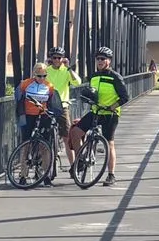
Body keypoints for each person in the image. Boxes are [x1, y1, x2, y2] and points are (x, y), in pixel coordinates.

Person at [68, 46, 130, 186]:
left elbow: (125, 97)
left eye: (103, 59)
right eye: (98, 59)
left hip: (110, 114)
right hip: (95, 111)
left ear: (109, 61)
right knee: (75, 132)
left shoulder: (115, 77)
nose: (100, 61)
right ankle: (81, 160)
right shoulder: (94, 76)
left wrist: (111, 107)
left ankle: (111, 175)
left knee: (109, 143)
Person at [14, 63, 64, 187]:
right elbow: (17, 97)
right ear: (34, 74)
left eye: (44, 76)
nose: (42, 78)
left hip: (43, 116)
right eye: (39, 76)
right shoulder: (25, 84)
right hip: (28, 116)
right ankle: (23, 175)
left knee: (44, 147)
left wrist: (54, 113)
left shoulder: (49, 86)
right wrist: (19, 113)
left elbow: (52, 101)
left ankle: (46, 176)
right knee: (26, 145)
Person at [44, 47, 79, 170]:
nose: (57, 60)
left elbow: (77, 82)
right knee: (44, 137)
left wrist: (69, 68)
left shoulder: (66, 71)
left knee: (67, 138)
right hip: (48, 107)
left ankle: (73, 167)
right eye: (54, 57)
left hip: (63, 107)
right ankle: (45, 167)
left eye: (59, 58)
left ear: (63, 59)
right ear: (51, 58)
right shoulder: (46, 71)